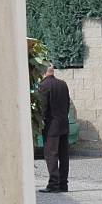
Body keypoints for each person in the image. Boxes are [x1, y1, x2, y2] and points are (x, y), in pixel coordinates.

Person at [38, 64, 71, 193]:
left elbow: (43, 107)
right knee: (64, 155)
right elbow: (67, 104)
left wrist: (40, 121)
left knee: (51, 154)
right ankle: (63, 184)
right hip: (64, 124)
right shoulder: (63, 84)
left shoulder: (44, 85)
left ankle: (53, 184)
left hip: (52, 125)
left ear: (43, 71)